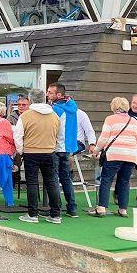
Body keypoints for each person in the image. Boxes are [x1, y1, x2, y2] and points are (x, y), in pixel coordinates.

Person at [14, 89, 62, 224]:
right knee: (51, 182)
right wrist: (54, 147)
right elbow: (60, 136)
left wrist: (21, 151)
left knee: (32, 183)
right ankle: (55, 215)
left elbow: (18, 136)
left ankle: (33, 214)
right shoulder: (54, 115)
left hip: (31, 152)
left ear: (30, 100)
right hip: (50, 152)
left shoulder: (25, 116)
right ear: (44, 98)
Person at [91, 97, 137, 217]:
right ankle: (123, 210)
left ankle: (102, 208)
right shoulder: (133, 121)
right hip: (131, 155)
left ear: (114, 106)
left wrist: (96, 150)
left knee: (106, 179)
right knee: (124, 181)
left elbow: (103, 138)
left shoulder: (110, 119)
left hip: (114, 154)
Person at [47, 82, 80, 218]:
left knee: (54, 178)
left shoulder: (55, 109)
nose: (47, 94)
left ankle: (56, 208)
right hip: (68, 147)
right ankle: (72, 208)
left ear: (58, 95)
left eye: (50, 92)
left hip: (56, 146)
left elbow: (51, 128)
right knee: (66, 178)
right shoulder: (72, 107)